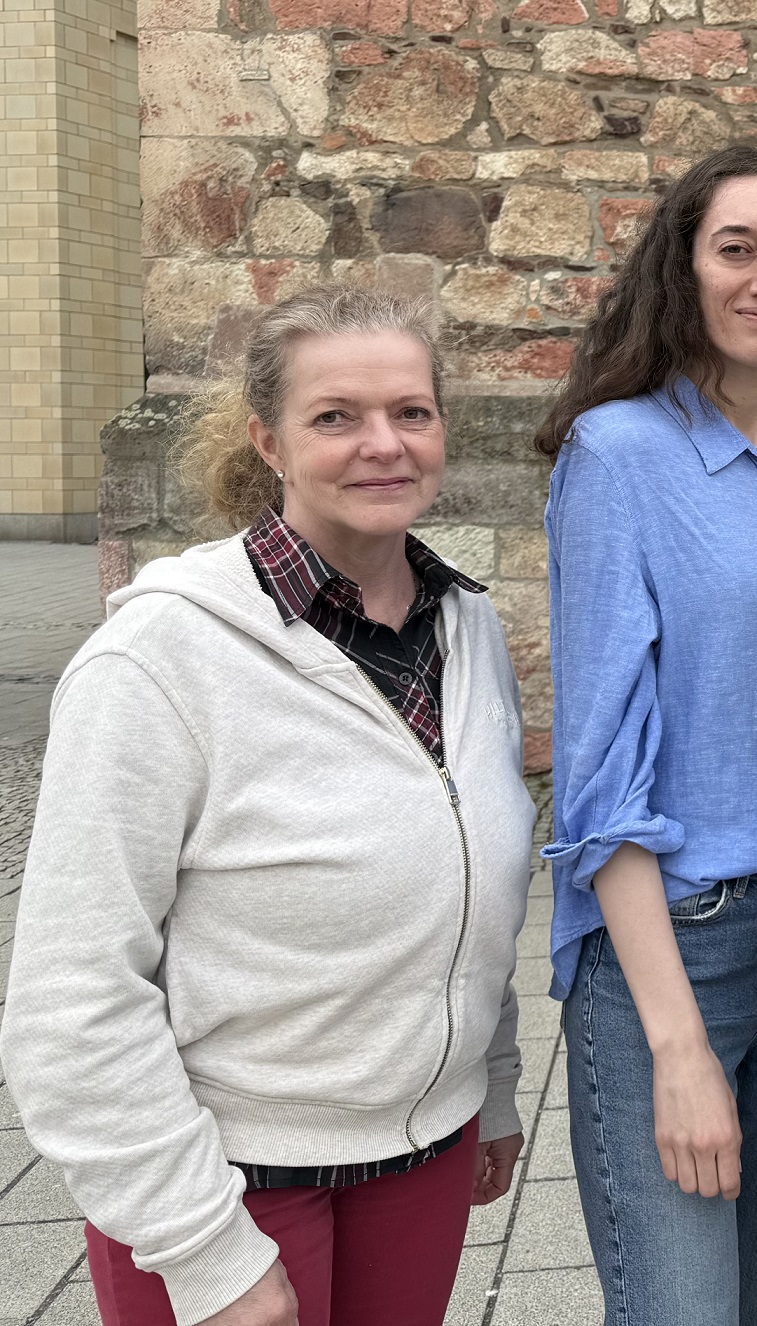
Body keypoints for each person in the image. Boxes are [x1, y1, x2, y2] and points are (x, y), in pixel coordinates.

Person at [0, 285, 534, 1326]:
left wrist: (497, 1083)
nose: (383, 444)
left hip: (421, 1159)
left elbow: (473, 886)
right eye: (335, 417)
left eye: (410, 413)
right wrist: (206, 1252)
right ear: (270, 443)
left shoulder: (466, 632)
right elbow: (71, 1002)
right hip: (225, 1177)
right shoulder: (158, 660)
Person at [534, 145, 757, 1326]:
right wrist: (675, 1044)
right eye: (737, 249)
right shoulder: (617, 454)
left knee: (755, 1303)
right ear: (681, 270)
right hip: (670, 952)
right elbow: (595, 776)